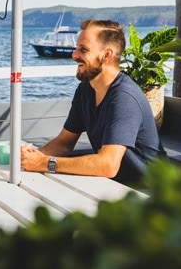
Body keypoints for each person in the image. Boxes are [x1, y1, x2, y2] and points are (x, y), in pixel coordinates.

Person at [21, 19, 166, 185]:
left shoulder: (124, 98)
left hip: (150, 193)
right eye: (76, 48)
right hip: (114, 185)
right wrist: (33, 155)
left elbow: (108, 165)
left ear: (106, 55)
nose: (74, 55)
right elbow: (63, 144)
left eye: (83, 50)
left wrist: (45, 163)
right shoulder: (86, 90)